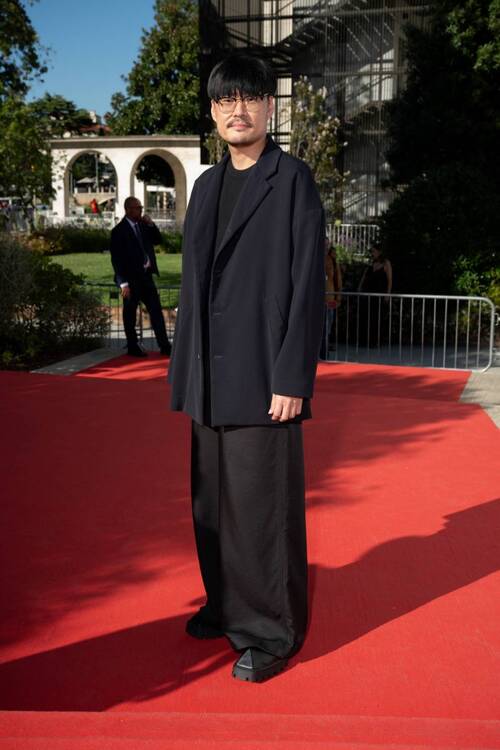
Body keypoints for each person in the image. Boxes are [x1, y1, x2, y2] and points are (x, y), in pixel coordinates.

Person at [167, 53, 325, 683]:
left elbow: (307, 284)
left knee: (261, 511)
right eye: (226, 99)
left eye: (249, 97)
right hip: (207, 377)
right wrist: (184, 372)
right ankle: (226, 603)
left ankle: (271, 632)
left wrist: (293, 377)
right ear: (213, 112)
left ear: (268, 107)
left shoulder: (292, 180)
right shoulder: (205, 186)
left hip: (264, 377)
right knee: (212, 506)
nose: (238, 109)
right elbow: (195, 286)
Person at [110, 197, 171, 357]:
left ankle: (164, 345)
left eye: (141, 207)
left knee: (156, 311)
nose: (141, 210)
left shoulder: (143, 226)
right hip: (130, 280)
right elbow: (116, 259)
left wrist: (151, 224)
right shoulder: (118, 231)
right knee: (130, 314)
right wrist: (123, 283)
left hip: (146, 277)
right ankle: (133, 346)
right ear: (129, 210)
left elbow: (158, 240)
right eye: (138, 208)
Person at [358, 243, 392, 347]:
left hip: (379, 294)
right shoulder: (371, 263)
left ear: (379, 251)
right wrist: (359, 288)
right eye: (371, 251)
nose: (372, 253)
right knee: (366, 317)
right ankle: (365, 340)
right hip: (368, 294)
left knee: (376, 318)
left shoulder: (386, 263)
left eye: (373, 251)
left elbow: (390, 280)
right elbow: (364, 277)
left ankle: (375, 341)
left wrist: (387, 294)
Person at [320, 236, 343, 358]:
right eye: (324, 244)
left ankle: (324, 354)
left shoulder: (333, 260)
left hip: (330, 299)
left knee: (327, 328)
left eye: (327, 244)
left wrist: (338, 298)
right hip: (316, 301)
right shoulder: (314, 257)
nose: (326, 247)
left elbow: (338, 280)